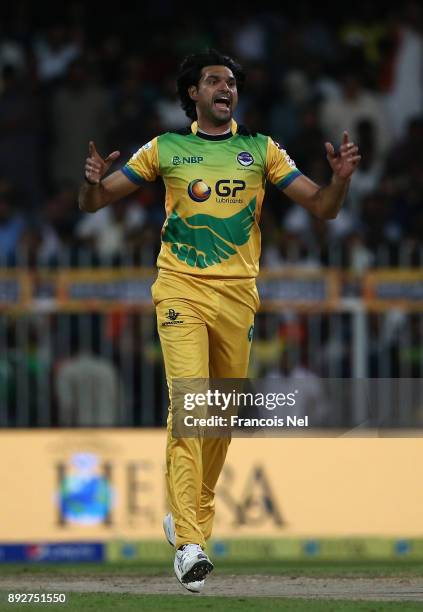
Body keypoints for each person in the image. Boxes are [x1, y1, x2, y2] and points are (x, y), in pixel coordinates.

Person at [78, 48, 361, 592]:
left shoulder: (262, 151)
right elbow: (94, 204)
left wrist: (341, 179)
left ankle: (187, 523)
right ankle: (189, 542)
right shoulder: (166, 148)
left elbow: (324, 208)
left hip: (238, 297)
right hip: (180, 288)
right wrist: (93, 181)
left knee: (220, 422)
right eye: (213, 81)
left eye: (230, 82)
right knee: (191, 404)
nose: (224, 88)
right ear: (193, 93)